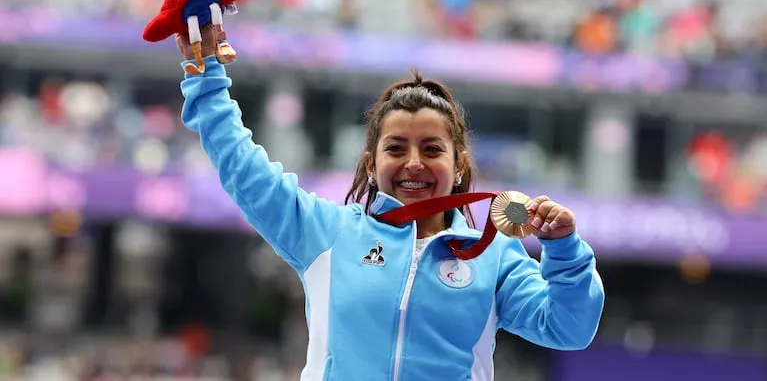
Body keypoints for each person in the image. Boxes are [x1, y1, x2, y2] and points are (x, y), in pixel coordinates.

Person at [176, 24, 605, 381]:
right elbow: (244, 170)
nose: (413, 164)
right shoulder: (328, 233)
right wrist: (207, 81)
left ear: (459, 165)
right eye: (396, 148)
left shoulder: (494, 255)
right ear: (371, 163)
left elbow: (568, 329)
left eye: (432, 150)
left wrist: (565, 250)